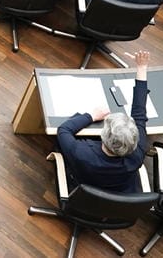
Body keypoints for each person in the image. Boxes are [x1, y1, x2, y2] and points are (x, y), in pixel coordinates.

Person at [54, 50, 152, 193]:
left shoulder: (81, 152)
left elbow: (63, 130)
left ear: (104, 135)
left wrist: (90, 116)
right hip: (118, 198)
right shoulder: (137, 154)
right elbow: (139, 114)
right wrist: (142, 69)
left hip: (82, 188)